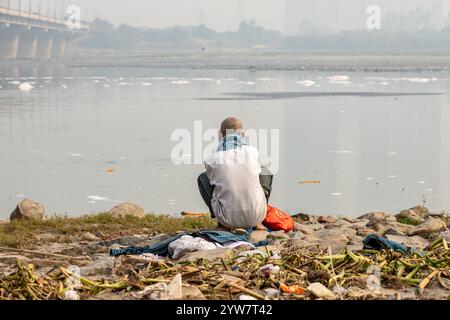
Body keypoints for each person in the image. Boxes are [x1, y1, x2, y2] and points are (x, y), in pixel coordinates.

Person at [197, 117, 273, 230]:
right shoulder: (252, 152)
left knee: (203, 177)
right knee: (265, 171)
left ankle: (221, 223)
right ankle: (259, 222)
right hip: (256, 216)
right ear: (242, 134)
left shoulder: (212, 159)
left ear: (220, 135)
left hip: (227, 219)